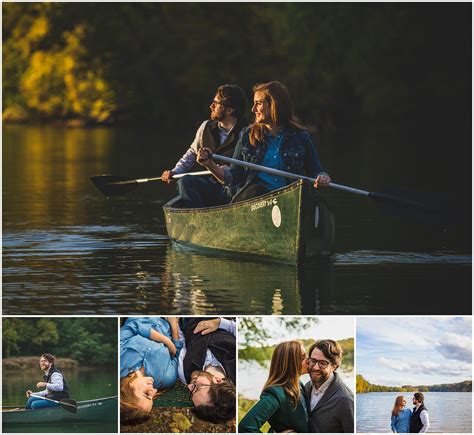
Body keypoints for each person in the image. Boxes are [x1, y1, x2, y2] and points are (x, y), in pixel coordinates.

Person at [197, 81, 331, 203]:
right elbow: (233, 177)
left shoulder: (300, 136)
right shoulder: (247, 135)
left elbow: (317, 171)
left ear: (274, 105)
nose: (253, 109)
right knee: (256, 189)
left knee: (309, 196)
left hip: (290, 200)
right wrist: (209, 164)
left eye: (258, 103)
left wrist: (322, 178)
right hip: (255, 202)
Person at [161, 84, 248, 208]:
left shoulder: (248, 132)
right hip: (210, 186)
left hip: (234, 191)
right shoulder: (206, 126)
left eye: (216, 103)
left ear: (229, 110)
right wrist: (175, 172)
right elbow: (191, 154)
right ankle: (199, 216)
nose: (211, 106)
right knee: (185, 181)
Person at [120, 317, 182, 426]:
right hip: (168, 322)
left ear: (127, 392)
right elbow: (177, 353)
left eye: (146, 394)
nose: (154, 391)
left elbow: (132, 326)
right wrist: (173, 325)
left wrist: (166, 341)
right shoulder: (166, 379)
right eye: (152, 397)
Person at [238, 340, 309, 433]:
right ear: (290, 363)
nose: (308, 360)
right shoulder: (275, 393)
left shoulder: (299, 383)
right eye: (303, 358)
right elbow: (245, 428)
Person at [177, 317, 236, 423]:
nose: (190, 386)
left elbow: (182, 343)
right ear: (218, 381)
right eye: (197, 388)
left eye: (191, 392)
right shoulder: (236, 365)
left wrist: (177, 322)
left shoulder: (185, 372)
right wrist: (219, 323)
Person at [304, 339, 354, 433]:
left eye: (323, 363)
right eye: (313, 361)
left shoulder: (345, 400)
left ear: (334, 367)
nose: (315, 367)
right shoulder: (306, 388)